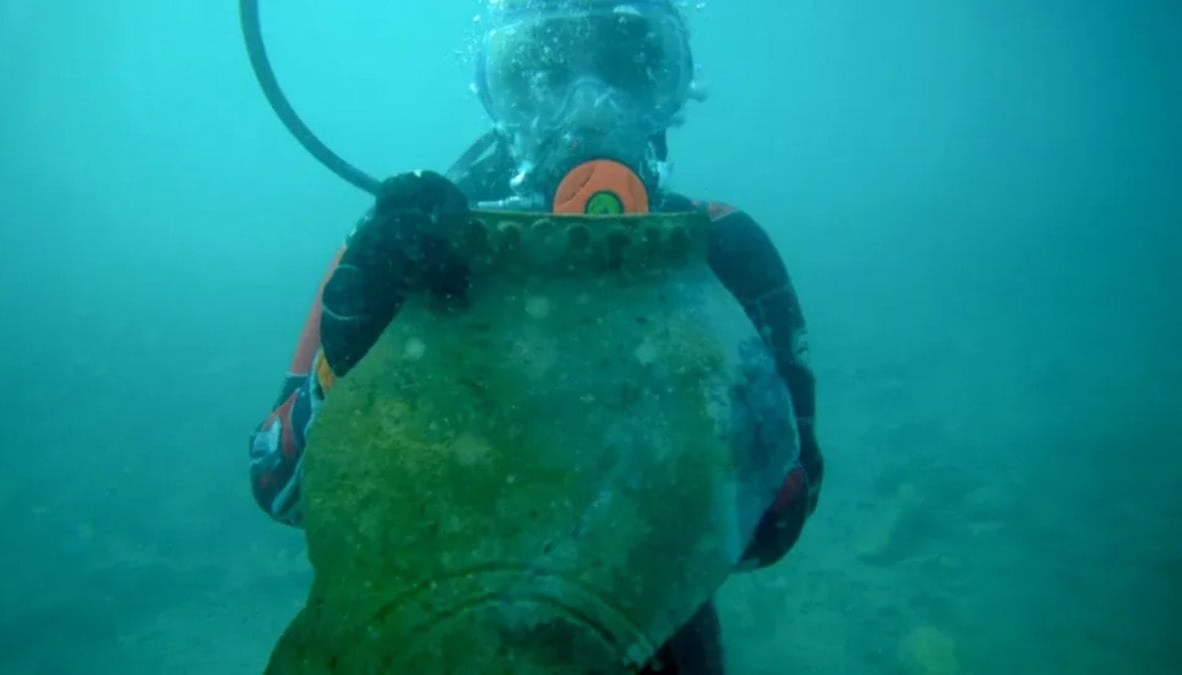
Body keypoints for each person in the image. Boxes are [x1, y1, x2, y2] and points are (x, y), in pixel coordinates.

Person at [248, 1, 824, 673]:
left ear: (673, 88)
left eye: (629, 67)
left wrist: (720, 401)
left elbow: (779, 521)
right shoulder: (397, 249)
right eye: (539, 73)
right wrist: (346, 363)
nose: (587, 107)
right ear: (494, 95)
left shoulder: (722, 256)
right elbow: (279, 483)